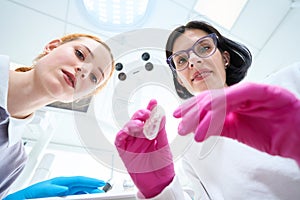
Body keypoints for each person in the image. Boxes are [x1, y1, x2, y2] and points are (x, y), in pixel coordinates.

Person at [115, 21, 300, 200]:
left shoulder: (286, 84)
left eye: (203, 48)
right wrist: (159, 190)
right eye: (181, 60)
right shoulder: (192, 150)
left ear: (225, 58)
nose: (193, 61)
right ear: (180, 79)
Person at [0, 33, 115, 199]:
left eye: (94, 77)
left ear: (80, 97)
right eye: (80, 54)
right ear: (52, 47)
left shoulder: (13, 160)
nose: (84, 70)